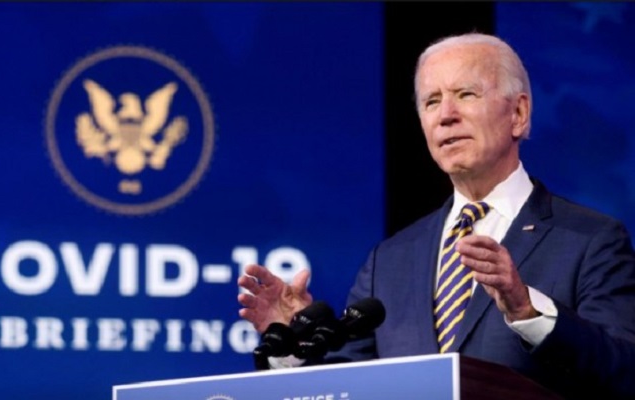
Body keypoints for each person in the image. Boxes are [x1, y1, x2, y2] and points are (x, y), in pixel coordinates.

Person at [237, 33, 635, 399]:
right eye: (431, 101)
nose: (445, 115)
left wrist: (528, 312)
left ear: (518, 114)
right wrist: (293, 349)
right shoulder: (389, 260)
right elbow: (351, 386)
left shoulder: (590, 240)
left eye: (465, 94)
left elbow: (623, 371)